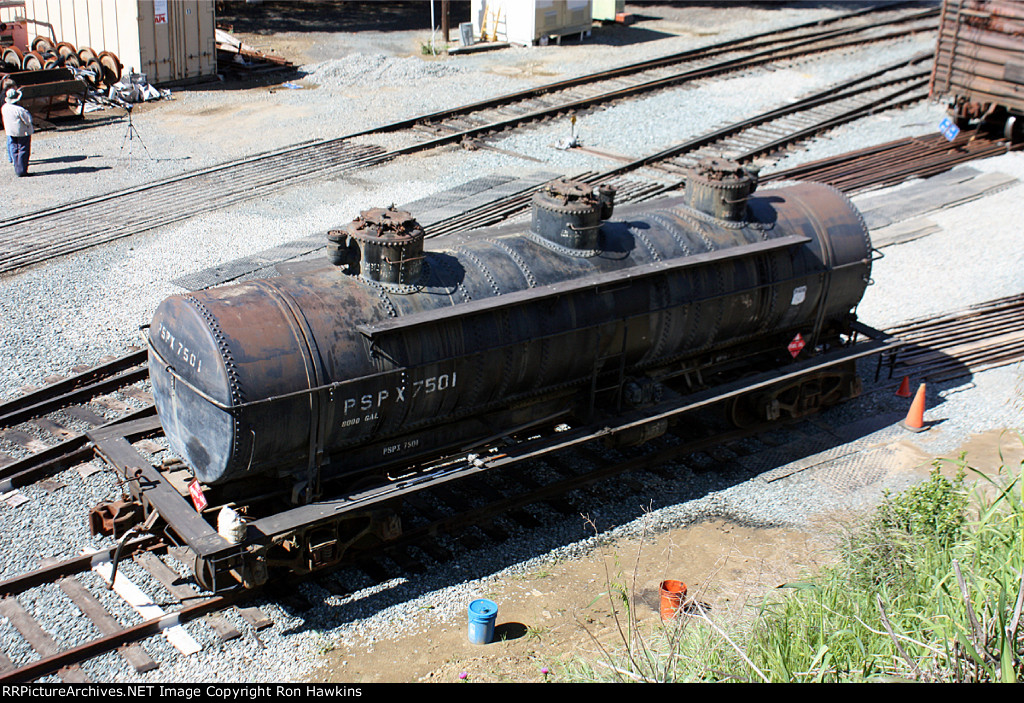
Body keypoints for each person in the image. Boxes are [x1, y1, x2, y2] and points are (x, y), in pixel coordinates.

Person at [1, 88, 33, 177]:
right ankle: (22, 171)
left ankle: (17, 167)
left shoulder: (4, 107)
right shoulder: (20, 110)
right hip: (22, 132)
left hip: (10, 131)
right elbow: (28, 121)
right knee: (23, 150)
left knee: (14, 149)